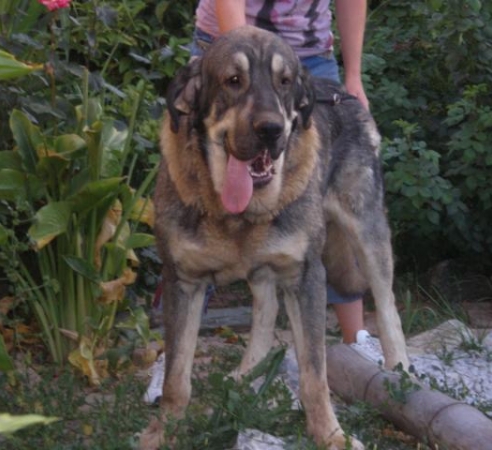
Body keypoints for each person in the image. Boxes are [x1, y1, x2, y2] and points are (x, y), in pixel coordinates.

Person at [144, 0, 382, 405]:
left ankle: (354, 342)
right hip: (228, 53)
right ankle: (170, 365)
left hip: (307, 59)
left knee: (320, 216)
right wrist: (245, 73)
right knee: (192, 213)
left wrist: (354, 75)